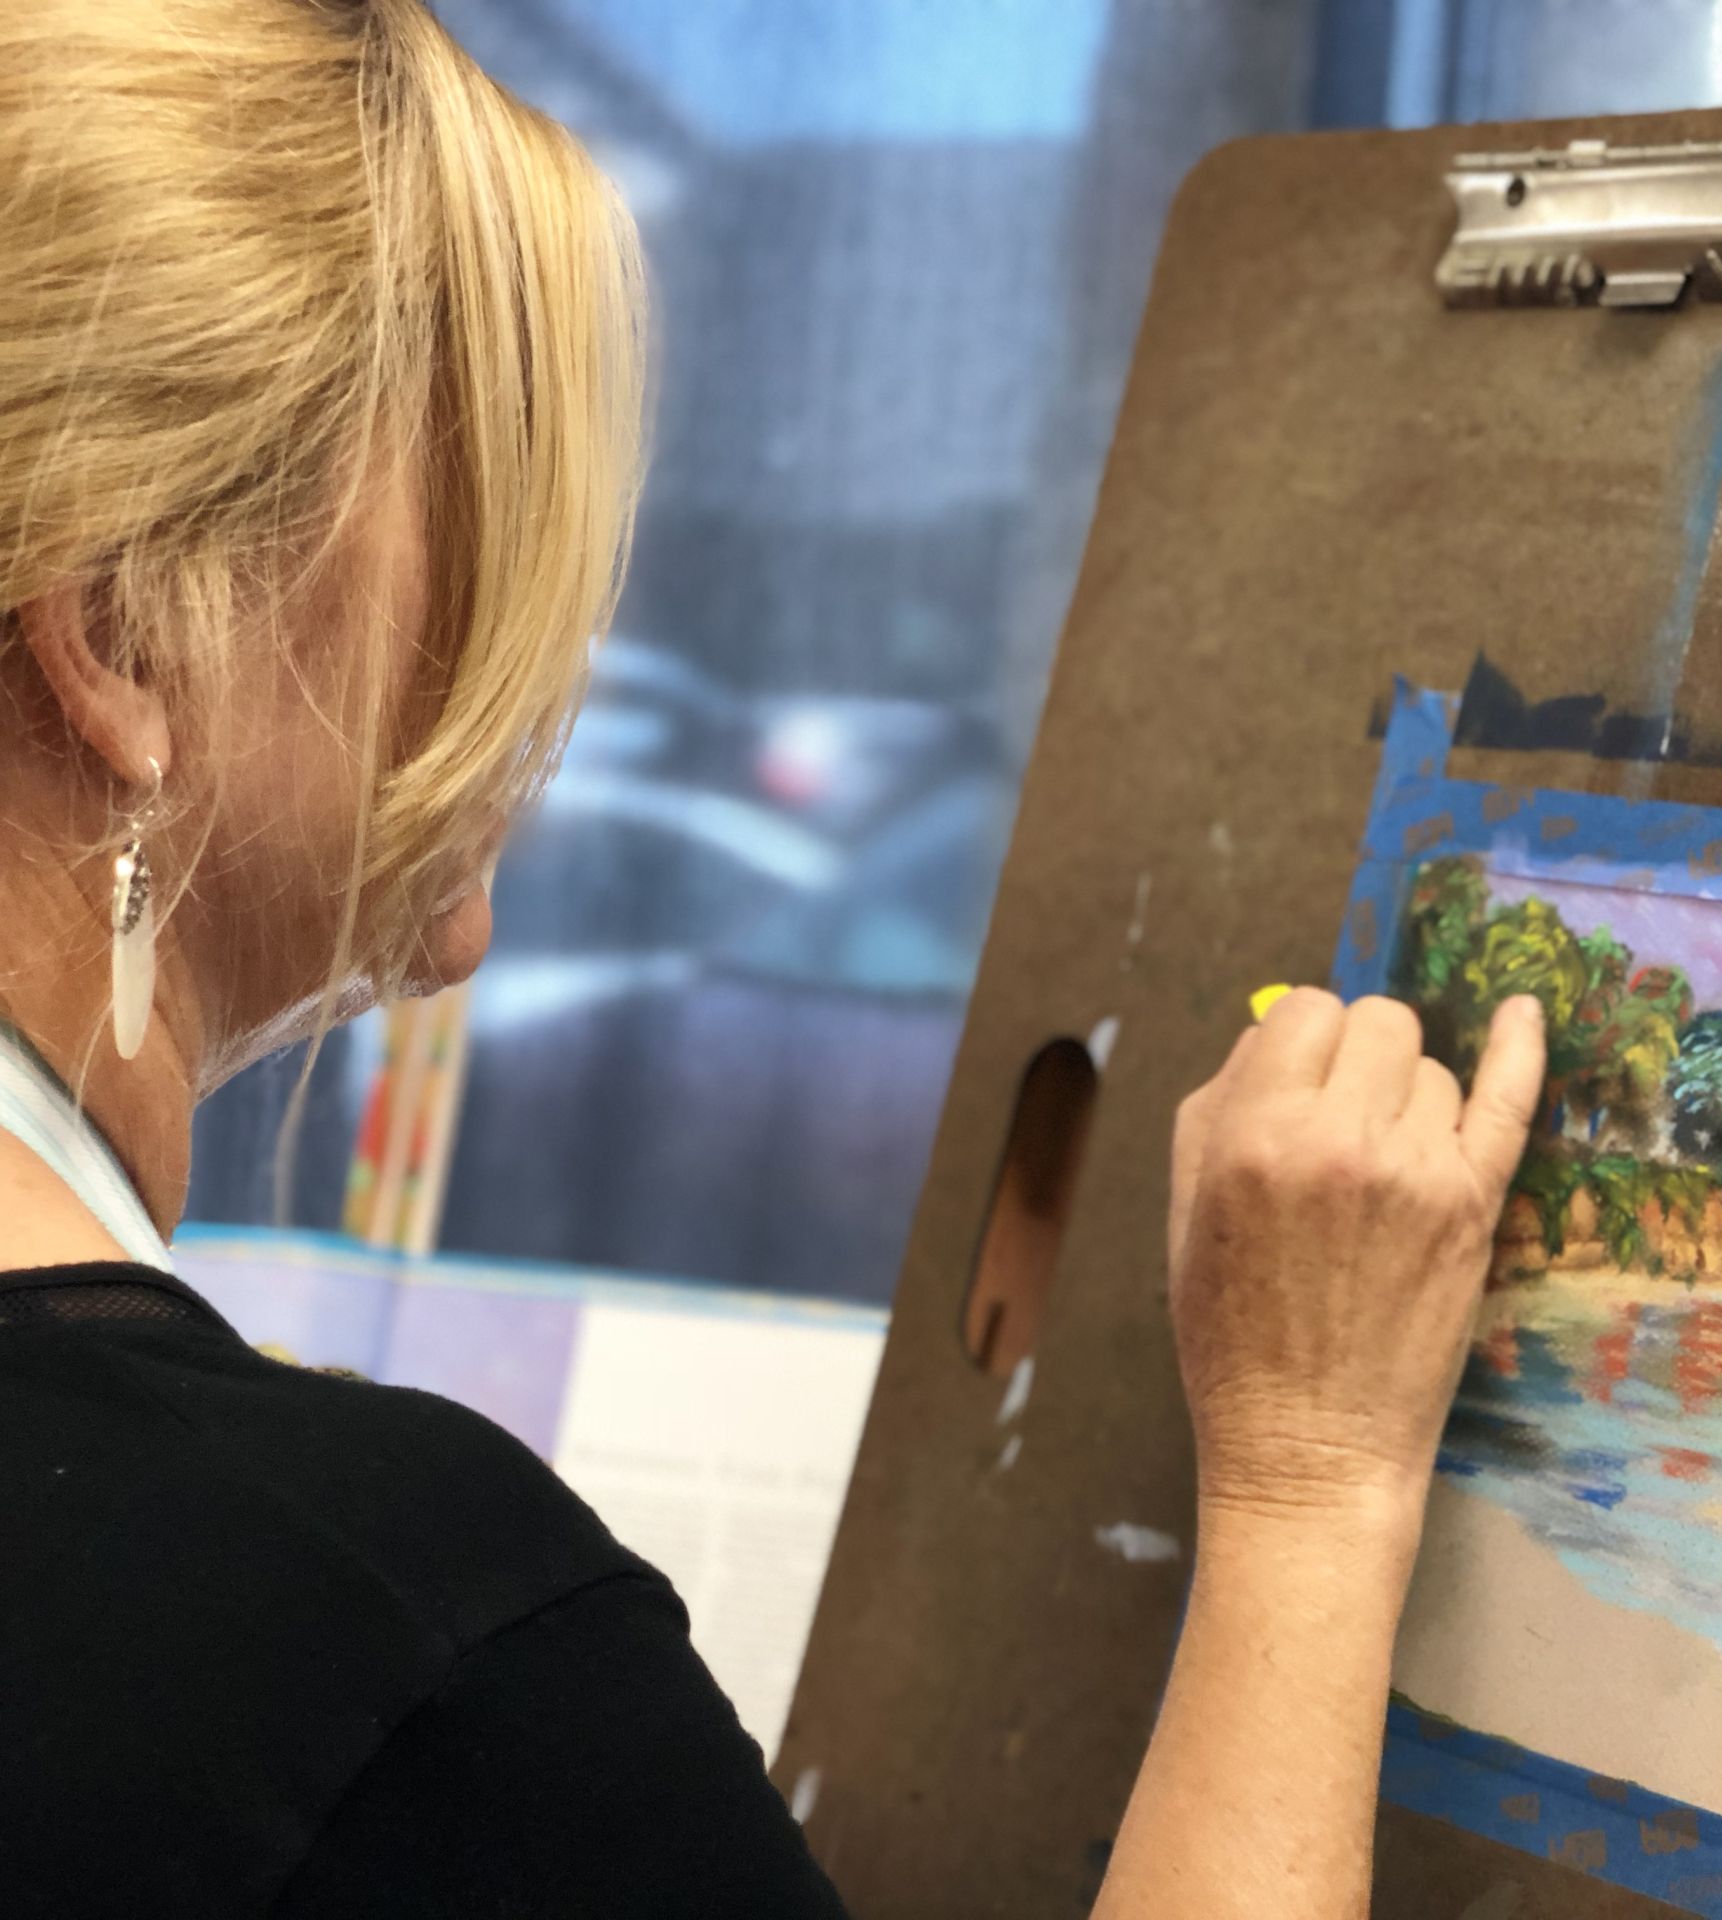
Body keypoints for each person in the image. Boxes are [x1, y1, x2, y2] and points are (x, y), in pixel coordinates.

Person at [0, 5, 1549, 1915]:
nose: (475, 872)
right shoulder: (379, 1642)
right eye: (471, 570)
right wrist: (1316, 1487)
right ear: (128, 637)